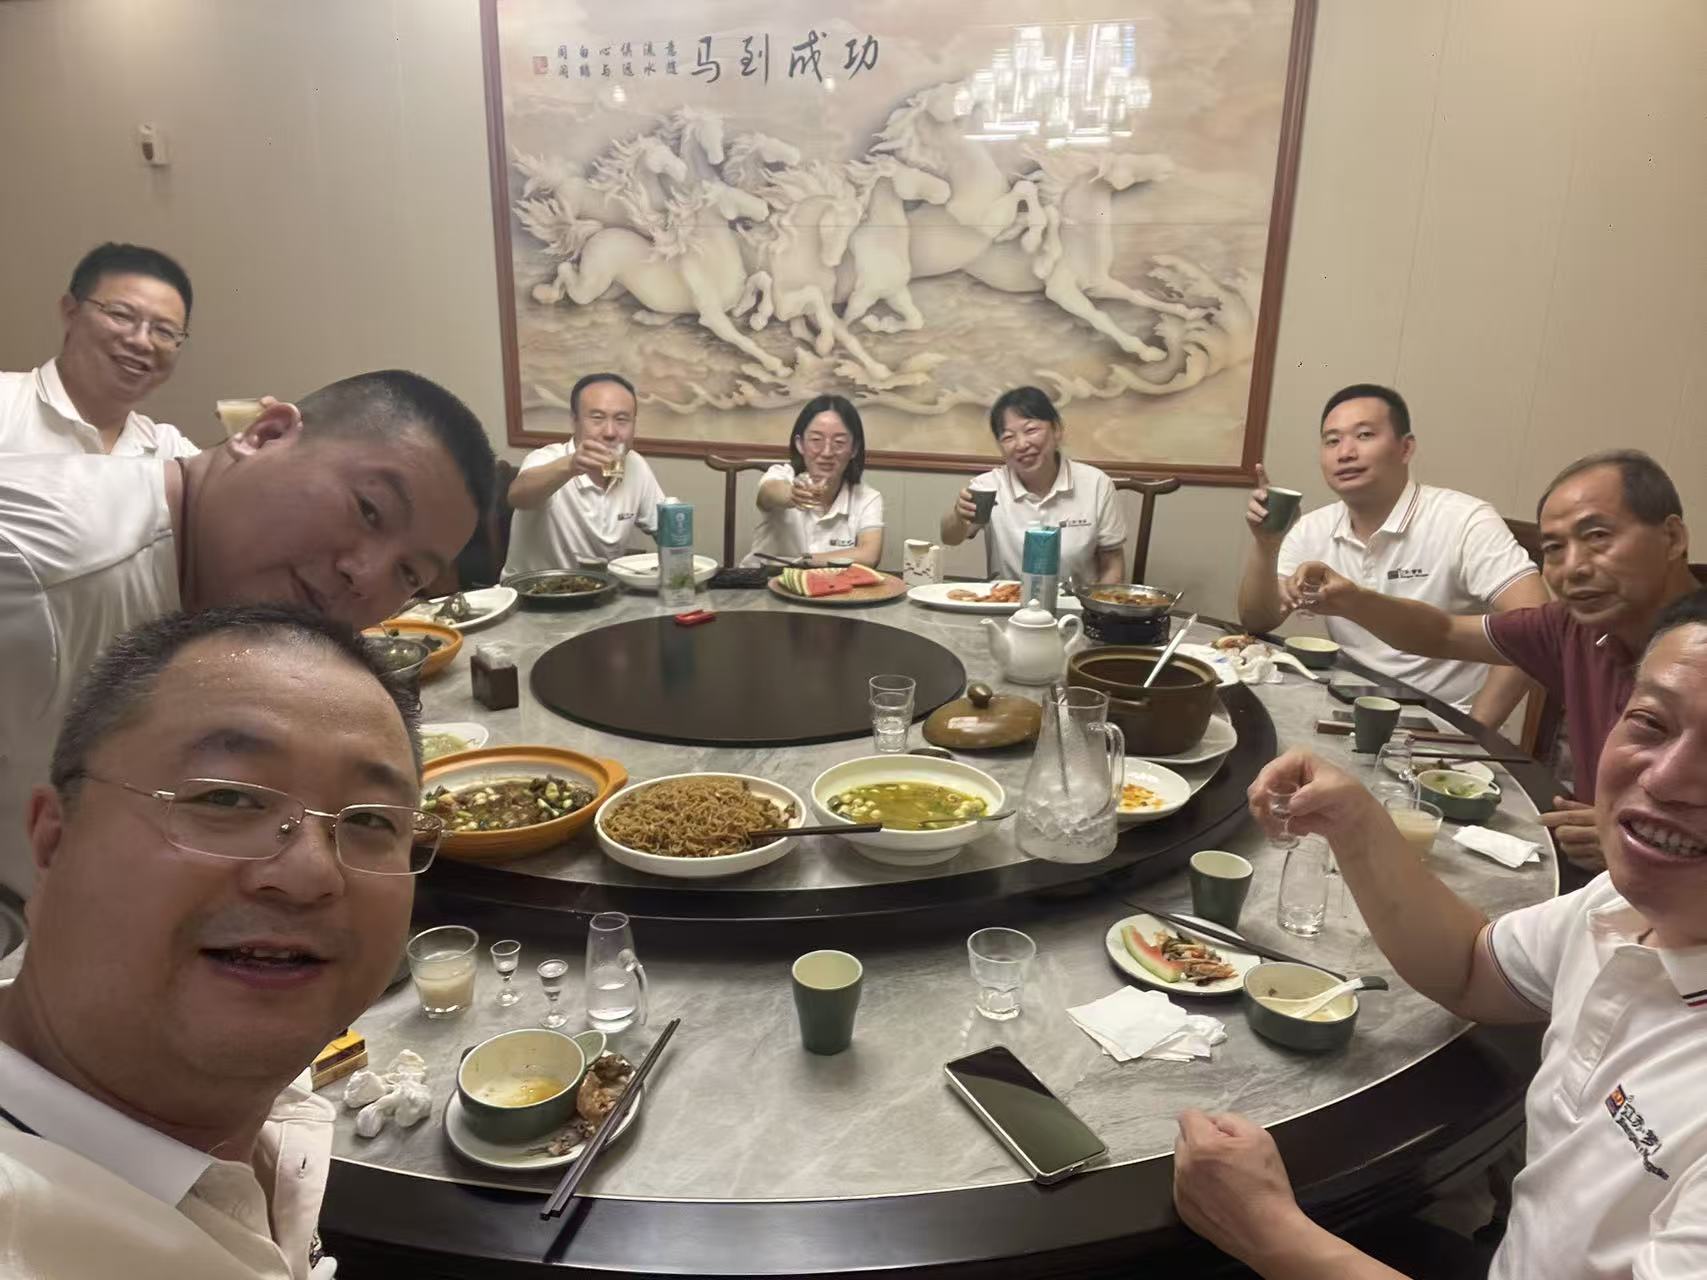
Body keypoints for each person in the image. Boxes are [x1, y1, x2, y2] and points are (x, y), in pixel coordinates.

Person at [1175, 588, 1707, 1280]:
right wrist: (1354, 821)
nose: (1667, 778)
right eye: (1651, 723)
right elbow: (1470, 968)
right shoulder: (1620, 907)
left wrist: (1272, 1236)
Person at [0, 604, 441, 1278]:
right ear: (53, 840)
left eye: (371, 820)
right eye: (228, 799)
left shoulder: (259, 1125)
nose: (310, 874)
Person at [0, 368, 493, 899]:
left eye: (409, 573)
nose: (367, 576)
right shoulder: (33, 576)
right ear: (264, 434)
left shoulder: (218, 594)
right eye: (369, 510)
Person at [1283, 448, 1694, 871]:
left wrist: (1649, 838)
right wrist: (1353, 600)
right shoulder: (1572, 627)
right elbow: (1443, 632)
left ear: (1673, 538)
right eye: (1555, 548)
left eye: (1597, 537)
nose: (1573, 567)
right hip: (1604, 876)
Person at [1237, 384, 1546, 724]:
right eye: (1332, 440)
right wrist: (1266, 545)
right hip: (1345, 704)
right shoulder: (1314, 527)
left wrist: (1476, 731)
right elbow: (1258, 621)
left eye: (1364, 435)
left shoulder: (1464, 520)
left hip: (1440, 720)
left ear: (1405, 448)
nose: (1345, 453)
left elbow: (1536, 630)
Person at [0, 242, 201, 458]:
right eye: (121, 315)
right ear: (71, 312)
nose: (141, 341)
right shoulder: (7, 402)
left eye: (164, 331)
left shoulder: (168, 450)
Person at [940, 386, 1128, 586]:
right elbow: (951, 538)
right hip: (1007, 602)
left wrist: (1095, 603)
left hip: (1077, 602)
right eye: (1008, 437)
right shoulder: (989, 486)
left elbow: (1112, 563)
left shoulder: (1095, 483)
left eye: (1031, 430)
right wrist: (958, 515)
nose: (1021, 445)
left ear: (1057, 429)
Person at [503, 372, 664, 573]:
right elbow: (518, 497)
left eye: (622, 420)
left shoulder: (634, 465)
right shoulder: (548, 458)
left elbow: (665, 528)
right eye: (597, 418)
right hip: (533, 588)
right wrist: (571, 466)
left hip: (603, 588)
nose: (610, 432)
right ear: (575, 421)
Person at [744, 395, 884, 568]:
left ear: (854, 448)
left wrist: (804, 560)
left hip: (826, 583)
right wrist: (792, 494)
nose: (827, 452)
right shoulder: (780, 475)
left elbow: (869, 555)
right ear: (800, 444)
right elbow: (769, 493)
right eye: (816, 440)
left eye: (839, 442)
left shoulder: (867, 498)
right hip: (760, 580)